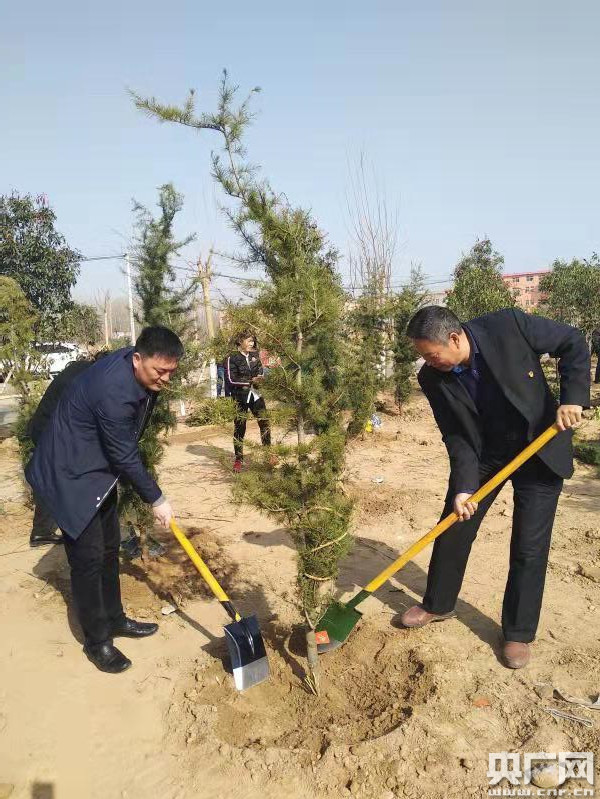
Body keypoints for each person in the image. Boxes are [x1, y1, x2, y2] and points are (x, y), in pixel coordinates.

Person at [401, 306, 590, 669]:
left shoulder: (508, 326)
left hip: (540, 445)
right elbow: (456, 435)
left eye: (431, 354)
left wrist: (572, 397)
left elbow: (572, 341)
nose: (427, 362)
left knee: (529, 545)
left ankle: (517, 633)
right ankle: (438, 603)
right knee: (455, 524)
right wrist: (463, 487)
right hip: (487, 453)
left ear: (454, 338)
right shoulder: (433, 378)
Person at [25, 326, 182, 674]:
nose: (166, 378)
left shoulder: (135, 363)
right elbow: (124, 454)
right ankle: (97, 642)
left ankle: (114, 619)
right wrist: (156, 499)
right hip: (70, 474)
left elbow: (120, 451)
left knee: (110, 548)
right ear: (137, 359)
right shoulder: (113, 391)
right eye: (160, 371)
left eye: (171, 371)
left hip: (96, 469)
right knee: (88, 560)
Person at [27, 353, 104, 546]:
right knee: (56, 479)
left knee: (54, 478)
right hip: (48, 430)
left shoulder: (80, 369)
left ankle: (41, 531)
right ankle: (44, 531)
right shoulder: (85, 376)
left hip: (46, 427)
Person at [226, 331, 272, 472]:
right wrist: (250, 380)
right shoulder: (231, 358)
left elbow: (260, 371)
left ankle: (268, 454)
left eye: (253, 341)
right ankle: (239, 459)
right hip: (239, 396)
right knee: (240, 427)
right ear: (240, 341)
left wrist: (260, 377)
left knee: (264, 422)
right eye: (249, 340)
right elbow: (231, 378)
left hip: (256, 394)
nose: (252, 343)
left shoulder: (254, 355)